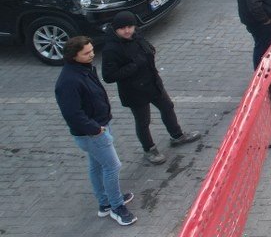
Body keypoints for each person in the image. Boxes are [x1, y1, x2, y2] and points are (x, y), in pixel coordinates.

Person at [55, 35, 138, 226]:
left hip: (96, 128)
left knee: (97, 166)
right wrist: (96, 129)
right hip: (93, 132)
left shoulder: (81, 70)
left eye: (92, 50)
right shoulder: (69, 81)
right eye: (86, 53)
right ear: (73, 56)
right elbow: (72, 113)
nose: (92, 54)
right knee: (112, 166)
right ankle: (117, 207)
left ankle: (105, 202)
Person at [100, 13, 200, 165]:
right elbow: (109, 76)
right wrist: (133, 66)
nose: (127, 31)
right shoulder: (111, 49)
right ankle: (149, 149)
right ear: (115, 29)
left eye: (130, 27)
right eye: (122, 28)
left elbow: (145, 47)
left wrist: (150, 51)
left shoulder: (136, 35)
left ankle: (177, 135)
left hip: (152, 82)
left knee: (167, 107)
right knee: (143, 121)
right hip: (134, 92)